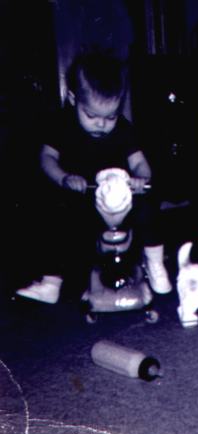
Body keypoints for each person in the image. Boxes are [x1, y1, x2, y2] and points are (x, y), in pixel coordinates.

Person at [16, 50, 171, 303]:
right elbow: (46, 157)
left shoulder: (123, 130)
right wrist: (64, 178)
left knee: (149, 206)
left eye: (110, 117)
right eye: (91, 115)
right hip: (81, 195)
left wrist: (140, 179)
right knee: (53, 215)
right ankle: (51, 282)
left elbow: (140, 162)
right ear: (73, 99)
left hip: (119, 199)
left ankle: (154, 263)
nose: (101, 124)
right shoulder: (62, 126)